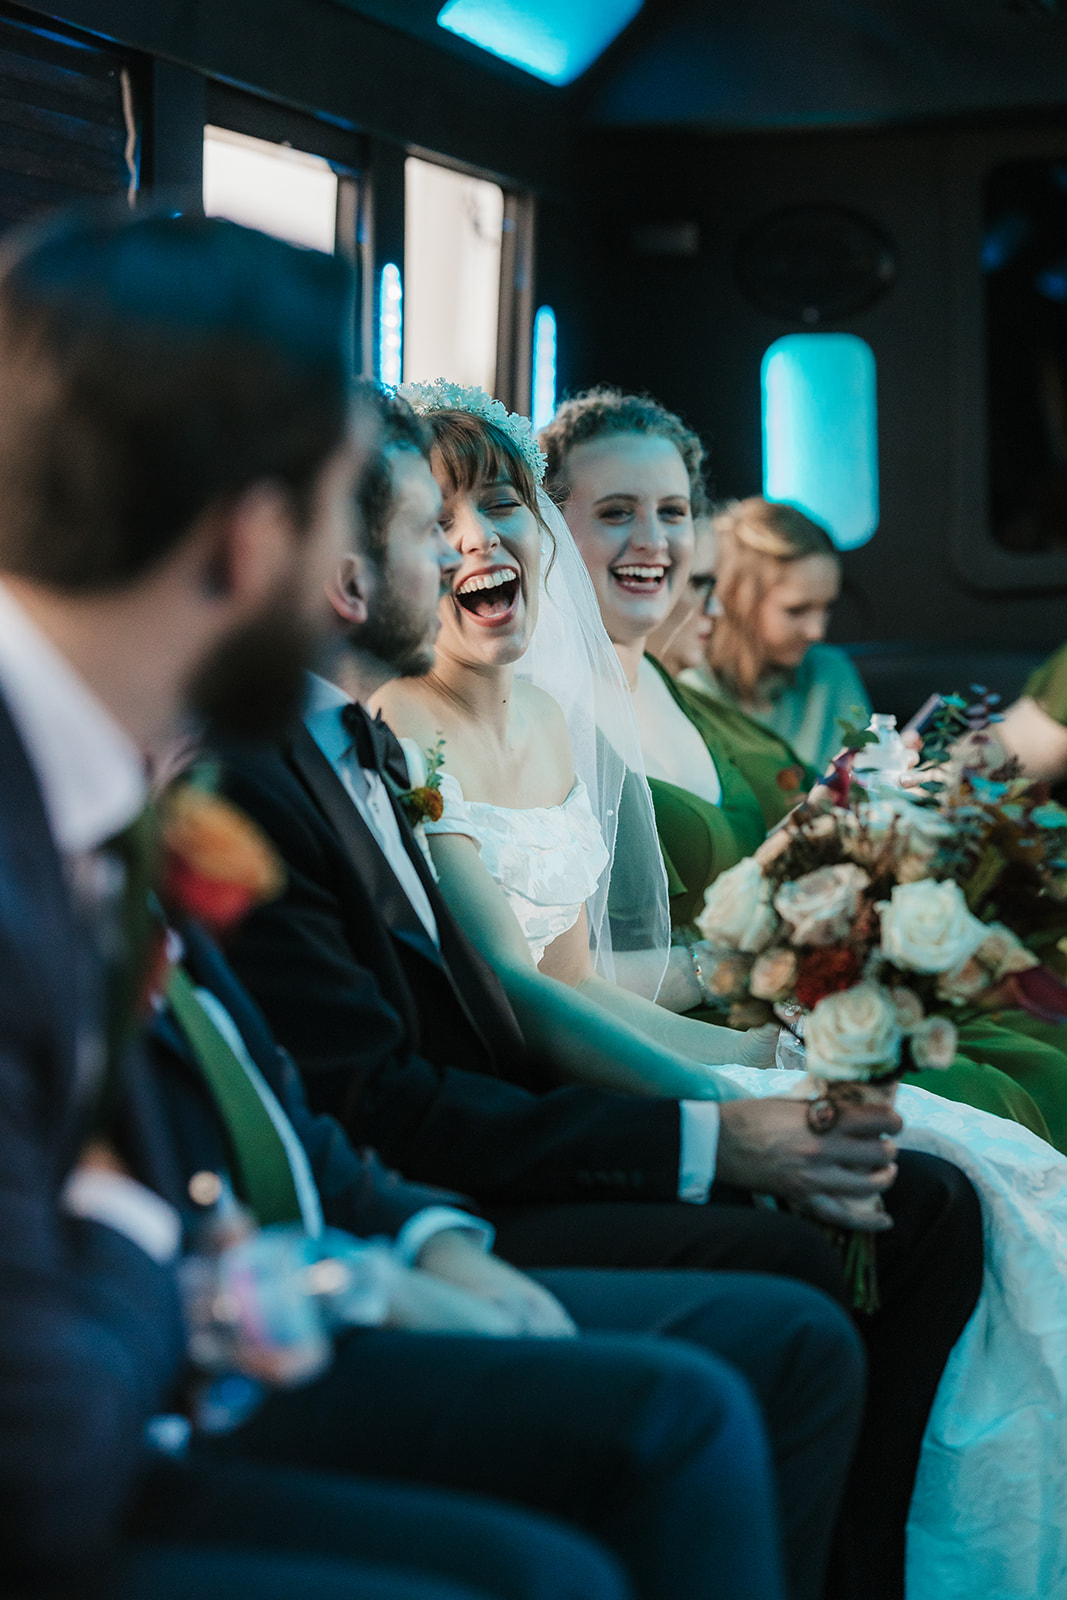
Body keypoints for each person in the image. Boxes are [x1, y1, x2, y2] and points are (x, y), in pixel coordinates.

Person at [0, 205, 704, 1600]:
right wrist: (275, 1276)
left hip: (157, 1351)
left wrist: (399, 1243)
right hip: (91, 1442)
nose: (436, 566)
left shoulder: (115, 782)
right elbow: (43, 1439)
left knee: (636, 1459)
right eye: (356, 515)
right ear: (262, 541)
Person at [211, 382, 984, 1600]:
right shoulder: (273, 782)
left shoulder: (361, 750)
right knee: (816, 1277)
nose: (468, 549)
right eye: (433, 529)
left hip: (455, 1148)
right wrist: (712, 1136)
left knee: (930, 1192)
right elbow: (420, 1067)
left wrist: (753, 1068)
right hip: (433, 1174)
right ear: (350, 585)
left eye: (490, 513)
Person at [682, 497, 871, 772]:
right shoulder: (689, 687)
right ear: (737, 601)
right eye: (796, 610)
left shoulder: (832, 674)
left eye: (827, 607)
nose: (817, 631)